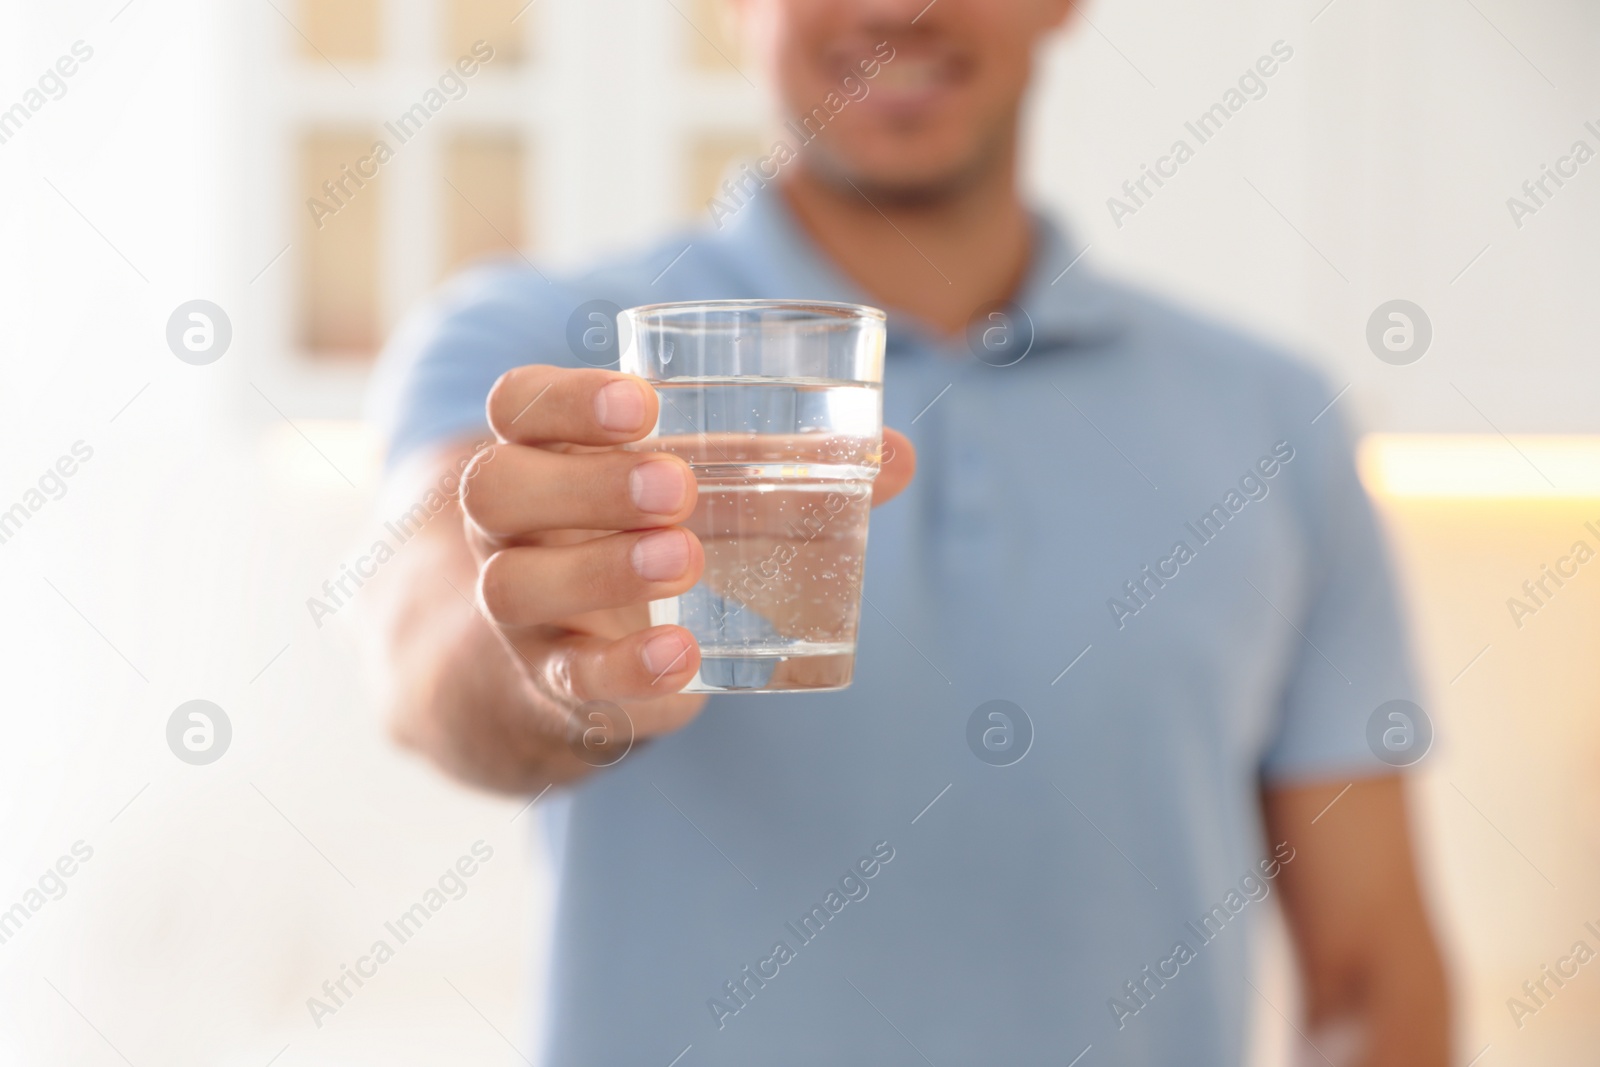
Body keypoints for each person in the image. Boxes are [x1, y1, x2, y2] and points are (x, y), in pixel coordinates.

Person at [367, 0, 1450, 1063]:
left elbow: (1373, 981)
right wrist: (554, 664)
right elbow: (424, 648)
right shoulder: (547, 348)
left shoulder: (1274, 420)